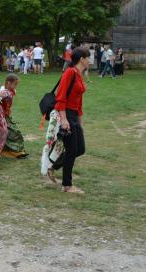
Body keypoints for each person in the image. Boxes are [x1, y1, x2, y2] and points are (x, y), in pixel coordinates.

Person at [50, 47, 90, 194]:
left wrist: (80, 120)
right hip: (66, 115)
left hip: (74, 116)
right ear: (81, 59)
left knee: (80, 149)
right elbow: (60, 97)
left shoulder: (79, 74)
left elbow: (78, 100)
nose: (89, 61)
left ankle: (53, 167)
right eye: (87, 58)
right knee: (72, 150)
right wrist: (64, 119)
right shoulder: (69, 73)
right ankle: (67, 185)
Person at [0, 74, 28, 158]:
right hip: (1, 116)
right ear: (8, 83)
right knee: (15, 132)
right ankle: (13, 151)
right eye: (15, 84)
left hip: (7, 115)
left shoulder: (12, 90)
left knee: (9, 133)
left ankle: (13, 151)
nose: (16, 86)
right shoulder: (2, 92)